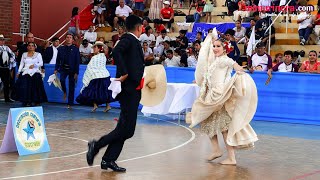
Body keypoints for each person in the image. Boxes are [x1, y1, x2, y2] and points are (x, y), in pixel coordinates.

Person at [187, 33, 258, 165]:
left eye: (218, 46)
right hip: (211, 95)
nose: (214, 48)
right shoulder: (215, 61)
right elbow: (209, 75)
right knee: (208, 123)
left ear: (225, 48)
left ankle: (231, 158)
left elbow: (234, 65)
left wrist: (239, 71)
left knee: (224, 127)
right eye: (214, 46)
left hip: (219, 96)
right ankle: (216, 150)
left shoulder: (225, 60)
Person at [86, 15, 145, 172]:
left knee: (124, 129)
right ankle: (96, 145)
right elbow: (116, 51)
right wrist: (124, 73)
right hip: (128, 90)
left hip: (133, 90)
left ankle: (108, 160)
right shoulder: (128, 39)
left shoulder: (132, 41)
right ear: (139, 28)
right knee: (127, 130)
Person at [76, 41, 113, 112]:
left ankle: (99, 105)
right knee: (105, 91)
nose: (94, 49)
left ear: (99, 49)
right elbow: (92, 67)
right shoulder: (103, 57)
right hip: (104, 75)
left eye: (95, 47)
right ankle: (105, 106)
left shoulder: (96, 57)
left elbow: (90, 67)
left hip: (97, 76)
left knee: (93, 91)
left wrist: (89, 74)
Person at [13, 42, 47, 106]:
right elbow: (21, 64)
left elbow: (41, 63)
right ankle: (26, 101)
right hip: (26, 71)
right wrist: (19, 72)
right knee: (25, 86)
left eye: (32, 46)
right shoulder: (24, 54)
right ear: (27, 47)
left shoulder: (38, 54)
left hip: (35, 71)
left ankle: (36, 100)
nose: (31, 47)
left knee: (35, 86)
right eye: (29, 46)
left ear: (34, 47)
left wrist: (35, 65)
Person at [54, 33, 80, 109]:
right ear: (65, 39)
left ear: (72, 40)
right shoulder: (61, 49)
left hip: (72, 69)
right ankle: (64, 92)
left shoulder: (75, 49)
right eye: (67, 37)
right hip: (63, 69)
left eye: (70, 37)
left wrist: (76, 72)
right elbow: (57, 60)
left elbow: (77, 61)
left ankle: (70, 103)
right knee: (62, 80)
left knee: (71, 86)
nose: (68, 39)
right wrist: (56, 68)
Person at [0, 34, 16, 103]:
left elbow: (12, 54)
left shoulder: (6, 48)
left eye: (3, 40)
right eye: (1, 40)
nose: (2, 41)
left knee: (7, 83)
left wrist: (11, 60)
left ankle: (7, 98)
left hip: (5, 68)